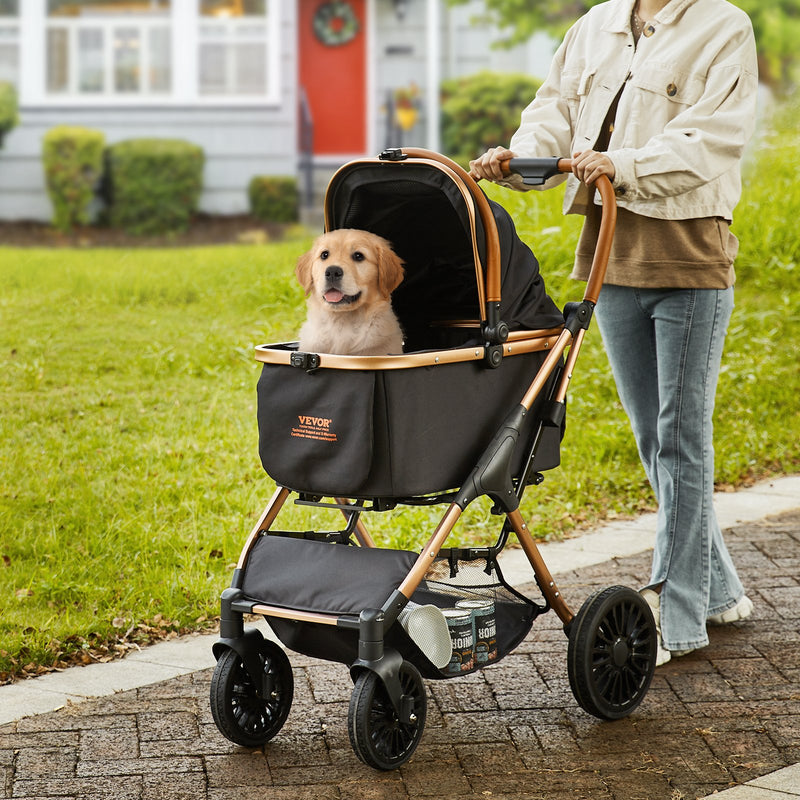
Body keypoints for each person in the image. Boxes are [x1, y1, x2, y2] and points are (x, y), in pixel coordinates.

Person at [469, 0, 758, 666]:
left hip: (689, 254)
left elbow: (713, 137)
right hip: (610, 254)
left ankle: (678, 611)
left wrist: (620, 164)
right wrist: (522, 157)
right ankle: (718, 590)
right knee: (654, 435)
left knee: (682, 435)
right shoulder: (594, 25)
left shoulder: (723, 25)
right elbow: (555, 110)